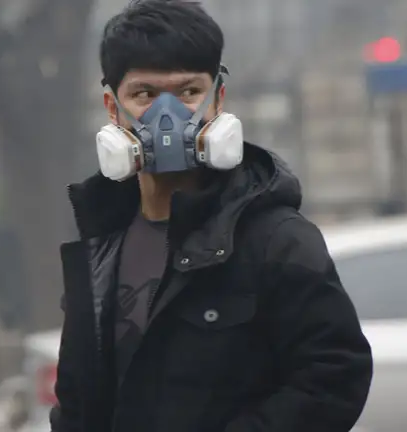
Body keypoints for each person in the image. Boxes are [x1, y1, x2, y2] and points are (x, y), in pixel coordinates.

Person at [50, 1, 372, 431]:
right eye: (145, 95)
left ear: (218, 98)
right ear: (112, 107)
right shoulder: (100, 246)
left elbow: (334, 378)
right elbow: (76, 402)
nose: (168, 117)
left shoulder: (275, 240)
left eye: (188, 92)